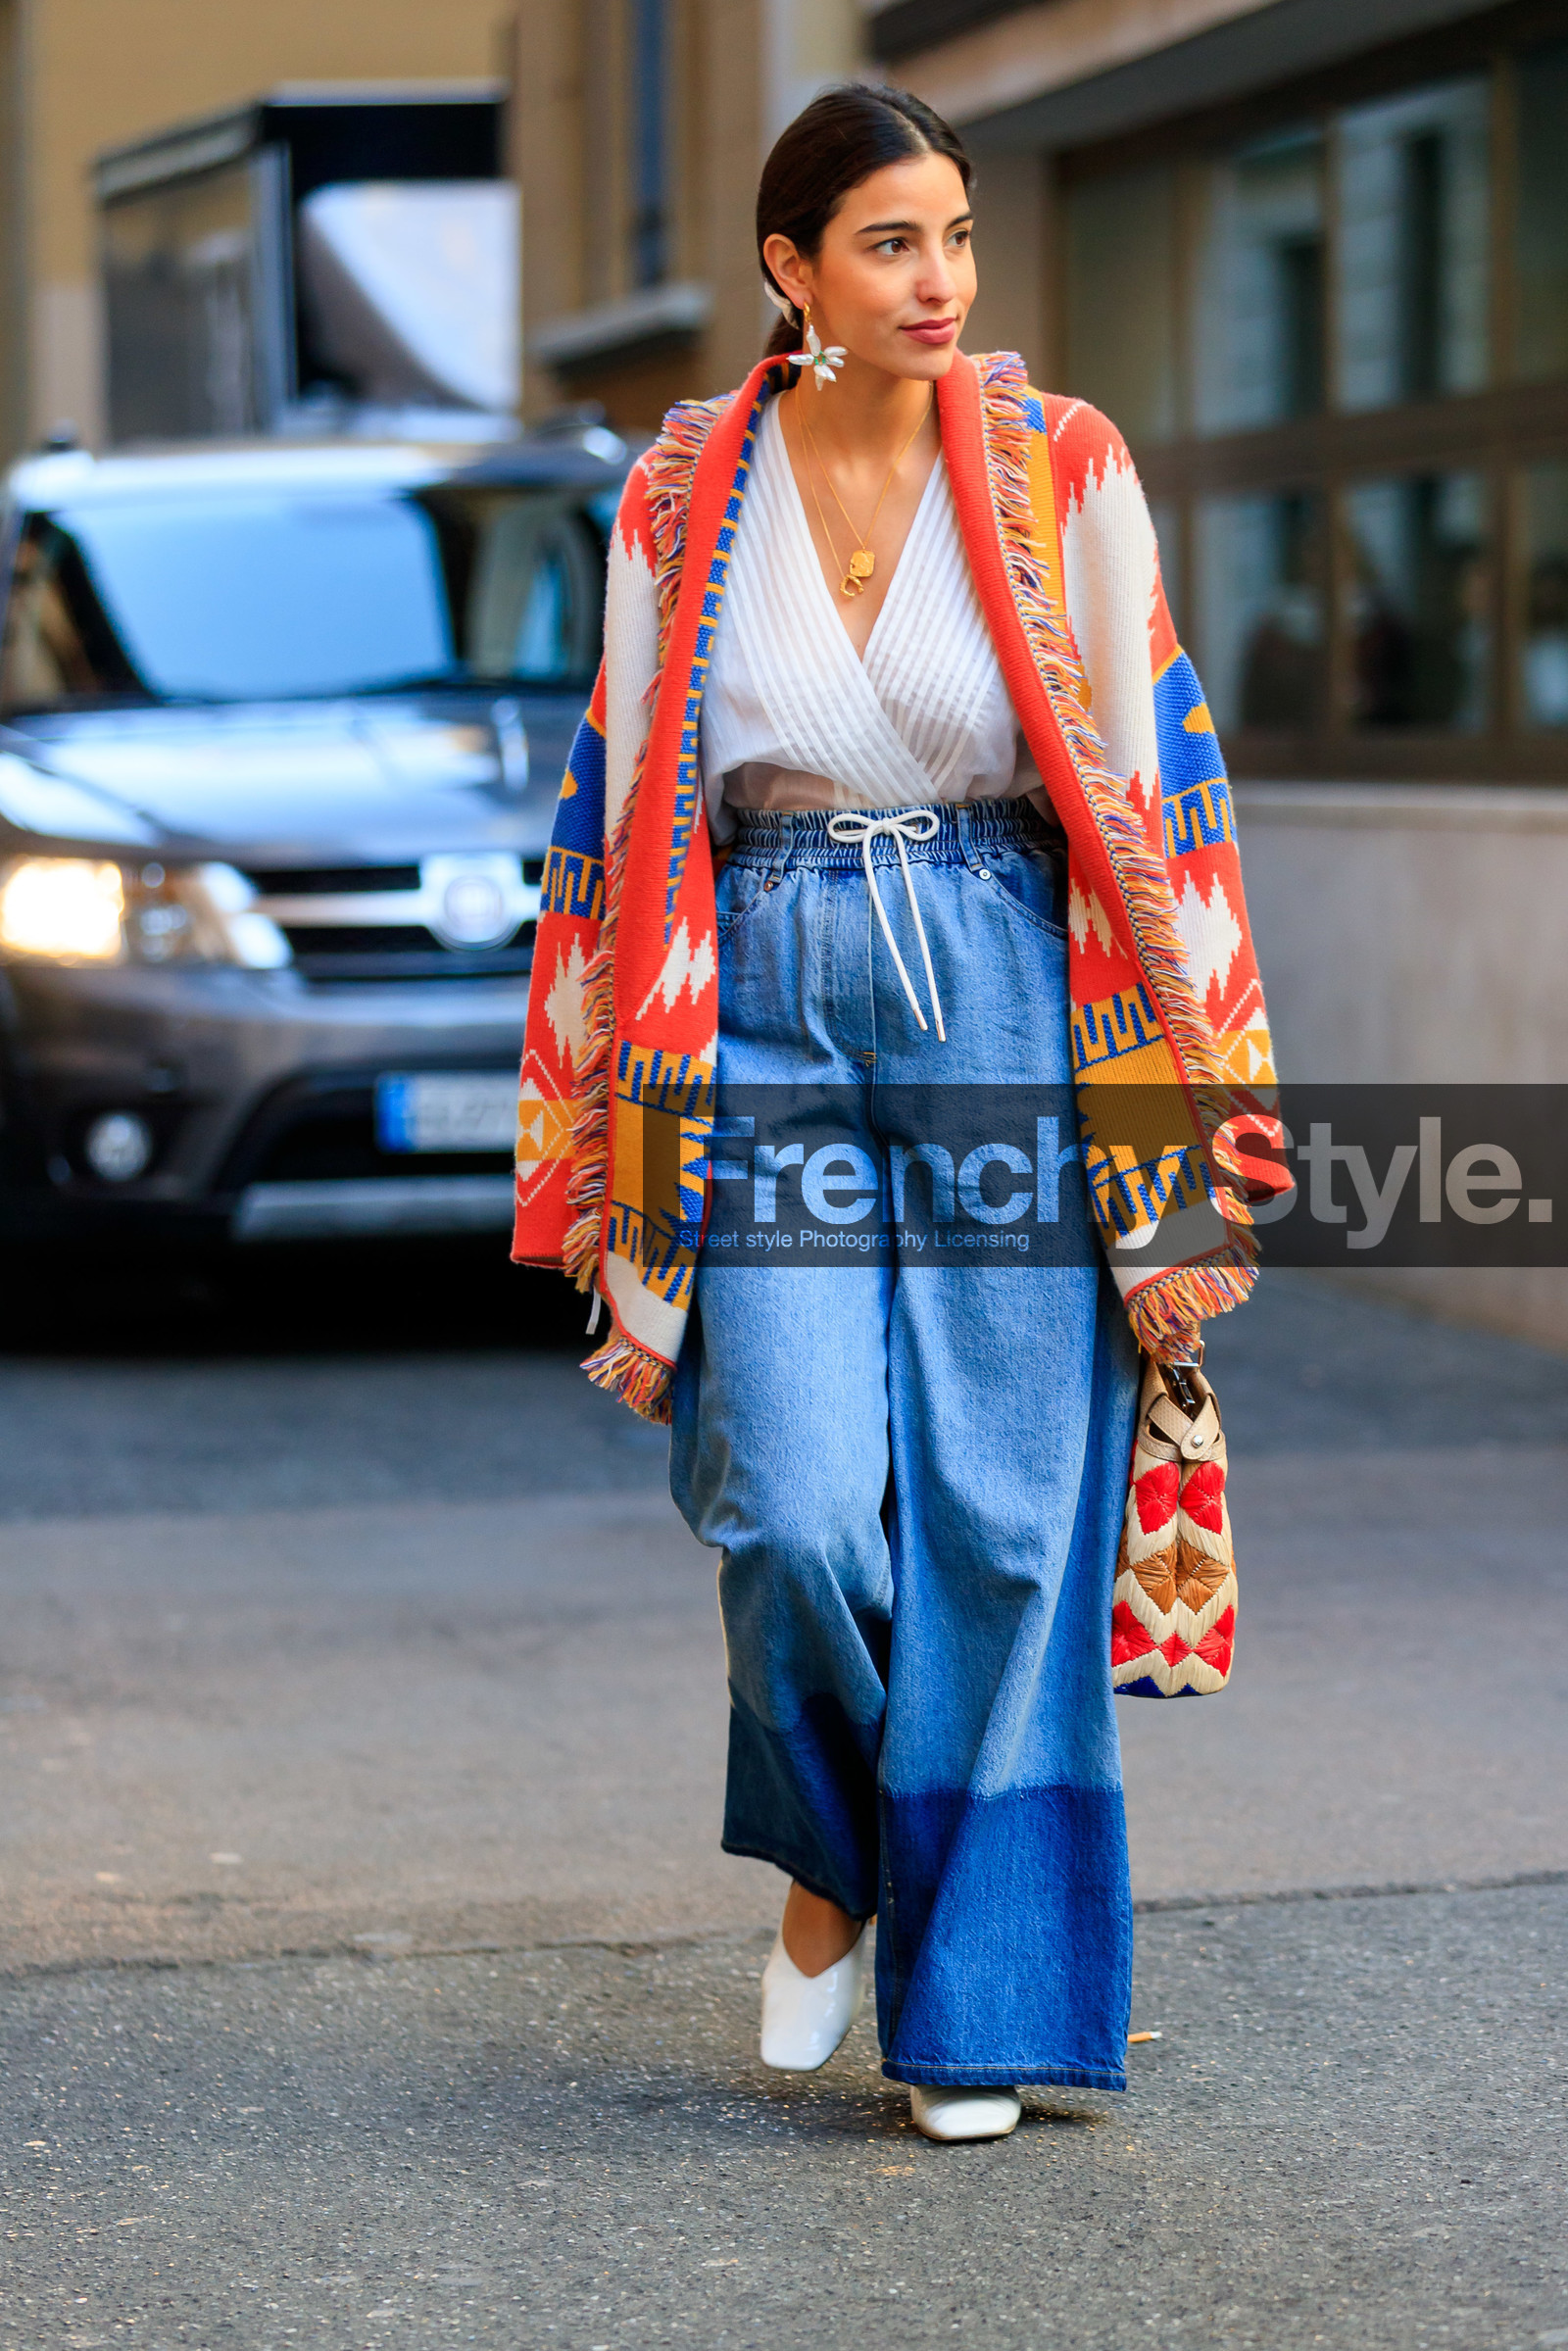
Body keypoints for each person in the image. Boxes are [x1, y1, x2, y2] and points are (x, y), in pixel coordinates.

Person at [514, 84, 1275, 2142]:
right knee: (786, 1503)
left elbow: (1152, 792)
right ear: (790, 268)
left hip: (1006, 985)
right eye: (888, 243)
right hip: (747, 994)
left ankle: (980, 2009)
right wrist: (616, 1144)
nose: (940, 282)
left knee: (1009, 1517)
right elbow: (622, 819)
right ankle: (834, 1854)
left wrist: (1174, 1142)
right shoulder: (681, 489)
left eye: (956, 236)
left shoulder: (1058, 461)